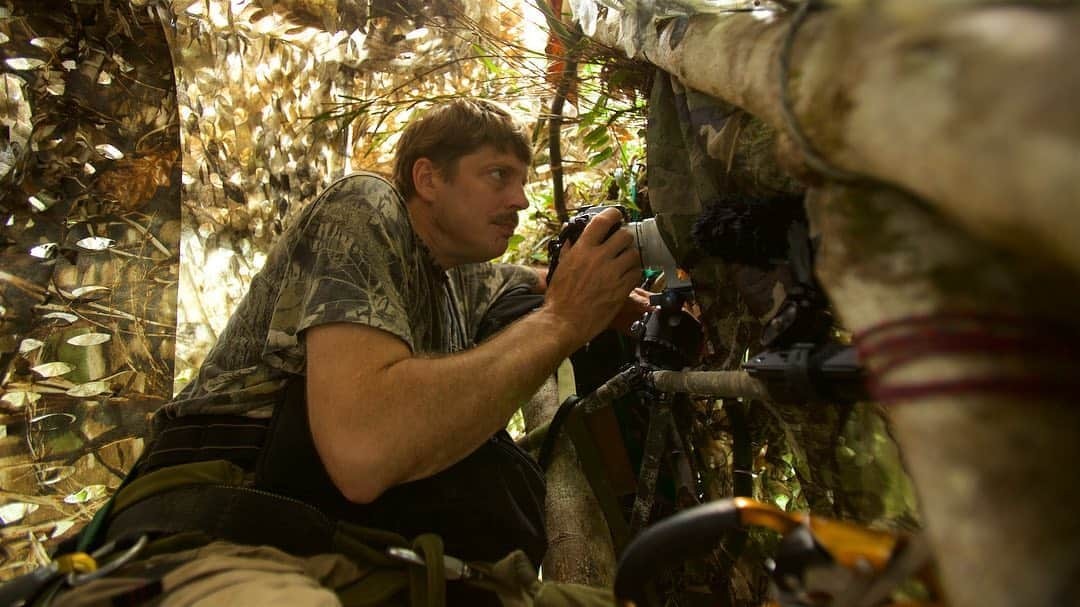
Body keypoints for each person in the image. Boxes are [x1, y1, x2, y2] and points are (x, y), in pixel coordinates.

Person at [43, 98, 642, 606]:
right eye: (497, 177)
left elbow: (539, 282)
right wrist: (564, 320)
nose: (519, 200)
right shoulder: (364, 207)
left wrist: (614, 293)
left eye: (523, 182)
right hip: (222, 537)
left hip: (368, 554)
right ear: (429, 179)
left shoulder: (460, 280)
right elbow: (364, 452)